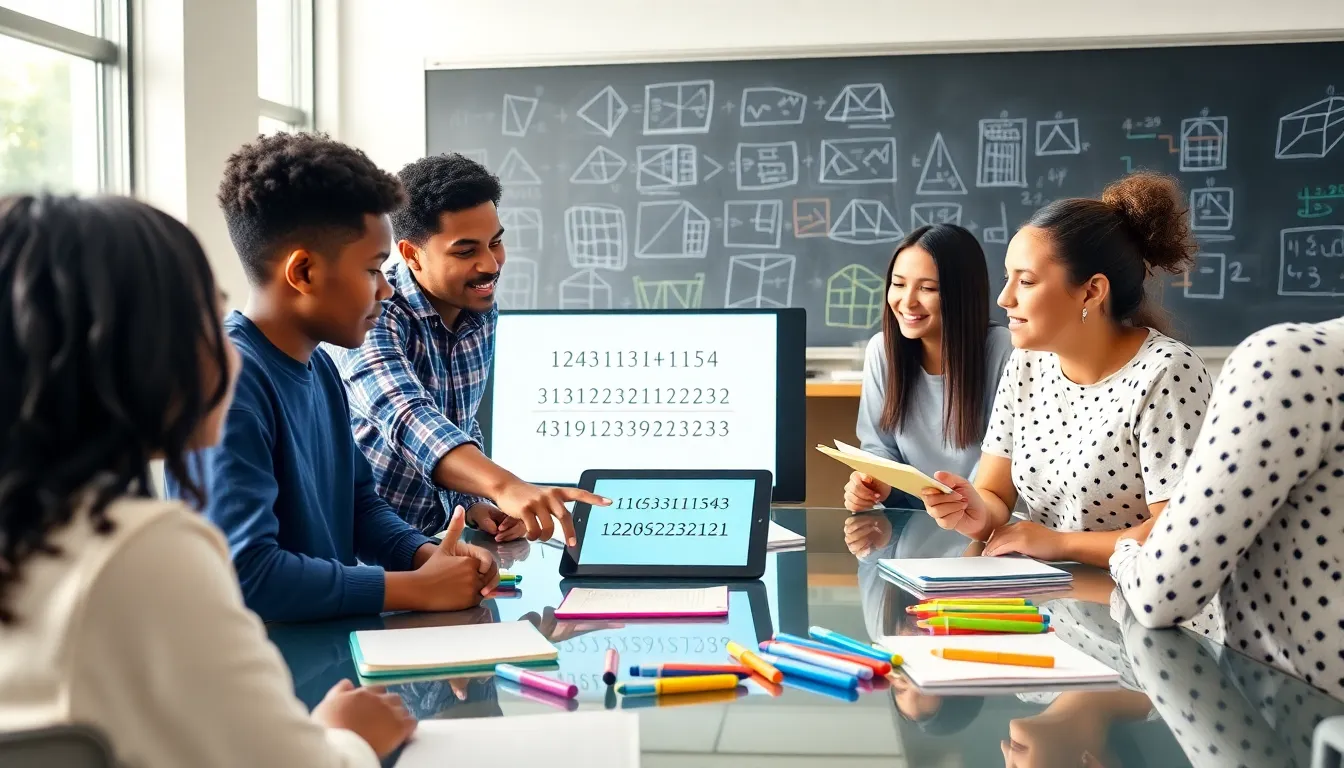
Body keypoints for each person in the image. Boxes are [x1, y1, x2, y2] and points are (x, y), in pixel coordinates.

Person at [0, 193, 413, 766]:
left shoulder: (42, 531)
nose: (230, 348)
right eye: (205, 318)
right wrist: (347, 735)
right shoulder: (142, 547)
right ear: (130, 351)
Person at [166, 133, 498, 623]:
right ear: (303, 272)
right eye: (373, 270)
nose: (387, 290)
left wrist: (423, 555)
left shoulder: (319, 366)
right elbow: (246, 575)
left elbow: (360, 505)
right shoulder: (226, 387)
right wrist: (411, 589)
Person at [921, 172, 1213, 569]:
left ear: (1092, 291)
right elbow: (994, 492)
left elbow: (1181, 530)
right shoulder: (1026, 363)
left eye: (1026, 281)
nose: (1005, 298)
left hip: (1142, 610)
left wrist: (1059, 544)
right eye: (1009, 278)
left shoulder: (1167, 373)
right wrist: (974, 510)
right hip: (1051, 605)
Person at [330, 152, 607, 542]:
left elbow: (457, 419)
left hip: (437, 542)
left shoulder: (480, 312)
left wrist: (473, 502)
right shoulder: (374, 316)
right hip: (364, 554)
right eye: (466, 251)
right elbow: (409, 417)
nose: (491, 264)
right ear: (411, 254)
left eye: (495, 242)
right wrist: (504, 485)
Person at [1111, 316, 1344, 697]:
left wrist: (1124, 553)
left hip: (1291, 732)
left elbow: (1161, 596)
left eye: (1026, 280)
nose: (1005, 299)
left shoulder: (1288, 363)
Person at [842, 224, 1014, 513]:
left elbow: (1003, 463)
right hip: (910, 525)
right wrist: (875, 484)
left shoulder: (1004, 351)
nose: (907, 301)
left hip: (985, 522)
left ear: (962, 293)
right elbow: (879, 448)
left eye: (928, 288)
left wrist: (958, 507)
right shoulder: (882, 350)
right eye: (898, 284)